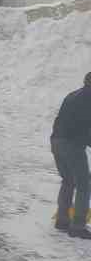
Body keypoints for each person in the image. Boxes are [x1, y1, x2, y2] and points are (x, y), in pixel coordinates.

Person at [51, 73, 91, 236]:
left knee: (68, 181)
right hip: (71, 145)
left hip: (57, 141)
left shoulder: (73, 95)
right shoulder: (88, 99)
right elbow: (84, 128)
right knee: (84, 185)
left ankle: (62, 220)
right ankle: (78, 226)